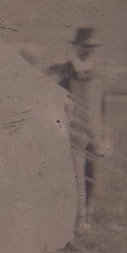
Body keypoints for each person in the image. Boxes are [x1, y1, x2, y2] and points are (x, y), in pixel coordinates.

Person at [47, 27, 110, 228]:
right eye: (84, 46)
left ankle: (86, 215)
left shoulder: (99, 72)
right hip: (73, 130)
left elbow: (102, 105)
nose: (87, 50)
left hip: (94, 130)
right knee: (75, 174)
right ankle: (78, 217)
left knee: (92, 174)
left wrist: (103, 133)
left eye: (91, 47)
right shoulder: (66, 70)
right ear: (75, 47)